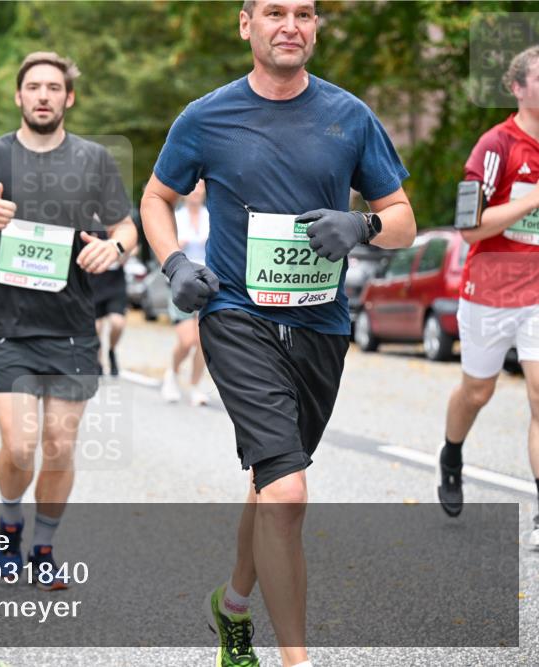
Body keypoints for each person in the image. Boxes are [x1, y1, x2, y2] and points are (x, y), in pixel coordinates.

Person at [140, 2, 416, 665]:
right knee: (288, 490)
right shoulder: (206, 116)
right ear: (246, 25)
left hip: (321, 326)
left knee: (271, 485)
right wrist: (176, 263)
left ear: (316, 28)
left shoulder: (350, 116)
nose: (289, 24)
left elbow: (403, 216)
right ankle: (298, 658)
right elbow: (156, 197)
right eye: (274, 12)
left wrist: (365, 227)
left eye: (304, 13)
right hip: (238, 317)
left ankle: (232, 605)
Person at [0, 51, 138, 590]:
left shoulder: (93, 159)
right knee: (22, 444)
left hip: (72, 325)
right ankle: (8, 522)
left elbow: (126, 223)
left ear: (68, 98)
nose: (44, 95)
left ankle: (43, 544)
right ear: (19, 96)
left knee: (59, 445)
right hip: (8, 328)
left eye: (54, 87)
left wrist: (114, 246)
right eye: (34, 87)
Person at [436, 45, 539, 547]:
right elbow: (469, 229)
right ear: (517, 88)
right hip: (488, 292)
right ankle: (451, 454)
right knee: (478, 393)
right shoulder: (495, 146)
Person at [161, 180, 212, 405]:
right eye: (193, 187)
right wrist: (178, 244)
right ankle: (172, 373)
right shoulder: (176, 217)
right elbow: (164, 250)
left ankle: (195, 385)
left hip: (208, 282)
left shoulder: (211, 217)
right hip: (181, 282)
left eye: (201, 188)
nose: (197, 192)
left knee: (203, 341)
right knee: (187, 339)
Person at [89, 229, 130, 377]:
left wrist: (121, 252)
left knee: (117, 322)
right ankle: (98, 361)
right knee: (96, 327)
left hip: (115, 283)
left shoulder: (117, 223)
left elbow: (131, 245)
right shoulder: (89, 224)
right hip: (94, 281)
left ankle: (112, 350)